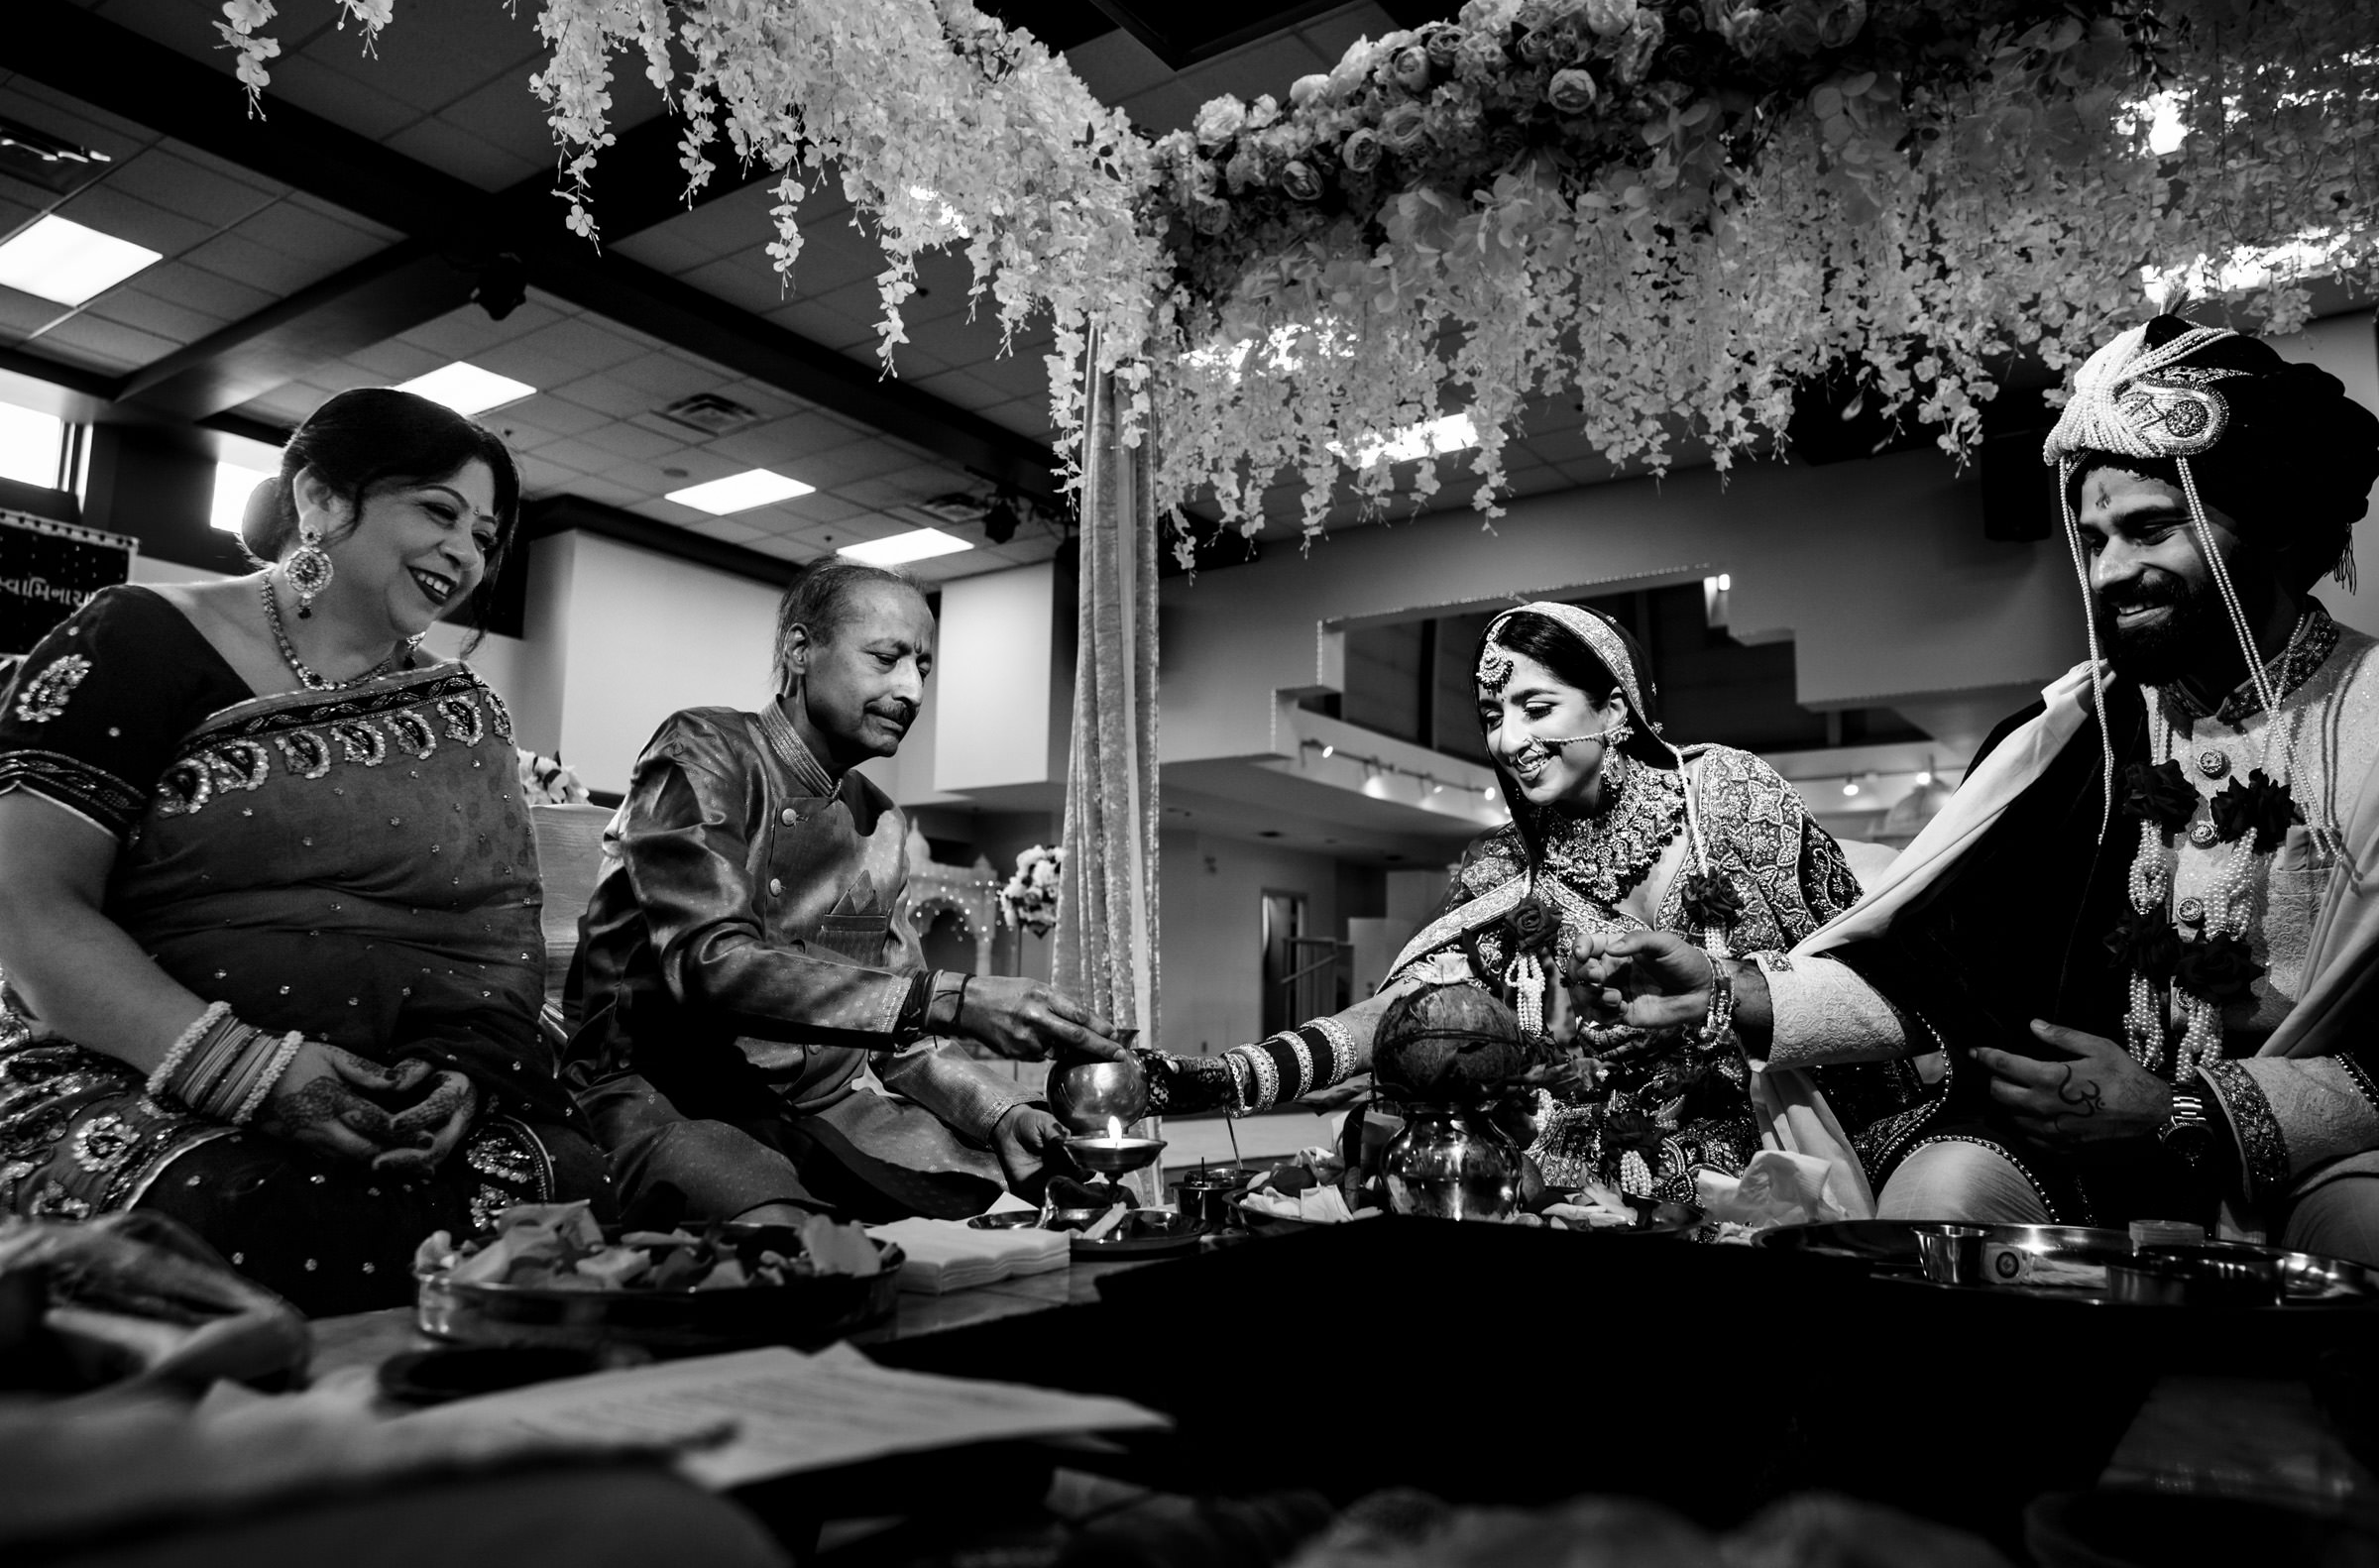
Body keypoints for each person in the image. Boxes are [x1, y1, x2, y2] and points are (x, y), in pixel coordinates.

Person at [1575, 315, 2379, 1258]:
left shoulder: (2369, 720)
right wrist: (1722, 990)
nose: (2112, 571)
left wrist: (2190, 1112)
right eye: (2093, 539)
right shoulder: (2075, 741)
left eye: (2152, 528)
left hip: (2319, 1151)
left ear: (2274, 525)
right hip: (2078, 1150)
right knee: (1937, 1193)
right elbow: (1941, 973)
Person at [0, 389, 609, 1314]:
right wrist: (249, 1072)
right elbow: (26, 905)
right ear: (321, 500)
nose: (465, 552)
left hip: (377, 1095)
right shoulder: (140, 638)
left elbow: (493, 941)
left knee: (564, 1183)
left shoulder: (461, 715)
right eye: (439, 512)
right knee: (266, 1221)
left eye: (485, 537)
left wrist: (459, 1077)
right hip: (123, 1062)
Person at [1141, 601, 1915, 1203]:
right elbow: (1415, 1009)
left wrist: (1722, 995)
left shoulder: (1732, 797)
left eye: (1537, 708)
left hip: (1791, 1156)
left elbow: (1862, 971)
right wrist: (1234, 1077)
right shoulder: (1505, 868)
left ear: (1615, 712)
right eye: (1492, 717)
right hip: (1587, 1185)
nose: (1510, 740)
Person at [565, 558, 1124, 1226]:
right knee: (789, 1244)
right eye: (887, 658)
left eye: (923, 668)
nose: (911, 690)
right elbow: (712, 963)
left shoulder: (880, 820)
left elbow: (905, 1037)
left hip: (814, 1109)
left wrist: (1000, 1112)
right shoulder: (707, 749)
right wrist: (951, 998)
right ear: (801, 650)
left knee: (1031, 1210)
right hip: (661, 1093)